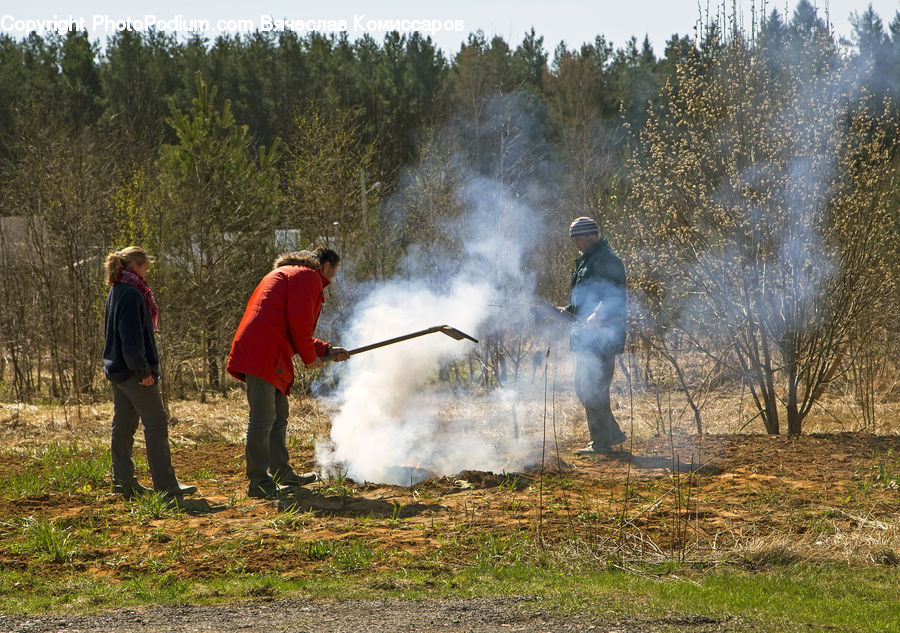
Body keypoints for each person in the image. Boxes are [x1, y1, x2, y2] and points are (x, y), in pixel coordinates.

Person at [227, 247, 350, 499]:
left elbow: (295, 330)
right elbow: (299, 324)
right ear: (325, 266)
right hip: (263, 352)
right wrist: (310, 358)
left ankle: (281, 473)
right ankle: (259, 482)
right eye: (333, 272)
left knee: (279, 414)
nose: (331, 279)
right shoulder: (307, 277)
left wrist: (326, 350)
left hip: (267, 350)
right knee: (262, 418)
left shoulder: (292, 274)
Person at [102, 247, 198, 499]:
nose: (146, 273)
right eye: (145, 267)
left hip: (118, 371)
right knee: (156, 422)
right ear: (134, 265)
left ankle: (123, 482)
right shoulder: (132, 294)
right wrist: (143, 370)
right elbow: (131, 338)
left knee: (123, 424)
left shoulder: (116, 290)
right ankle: (166, 485)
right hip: (134, 373)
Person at [559, 217, 628, 455]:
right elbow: (583, 299)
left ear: (592, 235)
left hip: (602, 337)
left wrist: (598, 314)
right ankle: (612, 433)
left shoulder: (607, 260)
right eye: (573, 238)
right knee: (582, 386)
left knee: (593, 387)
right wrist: (565, 312)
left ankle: (601, 444)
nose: (576, 242)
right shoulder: (585, 261)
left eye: (579, 237)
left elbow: (615, 295)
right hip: (585, 336)